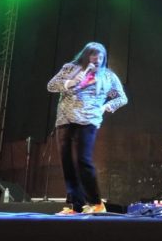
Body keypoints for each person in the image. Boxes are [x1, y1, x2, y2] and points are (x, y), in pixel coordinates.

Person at [47, 41, 128, 214]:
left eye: (101, 57)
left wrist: (106, 107)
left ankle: (96, 203)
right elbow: (51, 86)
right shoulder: (70, 69)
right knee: (67, 163)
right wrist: (70, 82)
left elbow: (122, 98)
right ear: (86, 56)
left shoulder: (107, 76)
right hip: (64, 120)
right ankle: (76, 206)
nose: (97, 59)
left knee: (82, 161)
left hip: (88, 121)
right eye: (94, 55)